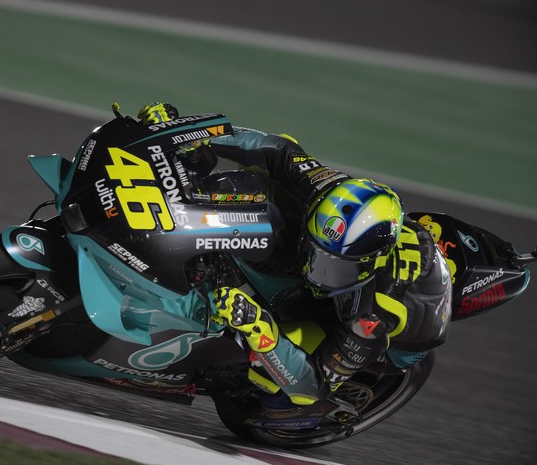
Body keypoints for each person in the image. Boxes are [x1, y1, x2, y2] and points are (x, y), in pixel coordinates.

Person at [137, 102, 453, 406]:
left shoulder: (371, 318)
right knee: (267, 188)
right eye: (318, 256)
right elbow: (276, 148)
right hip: (382, 249)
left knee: (270, 373)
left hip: (394, 338)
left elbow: (312, 387)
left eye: (333, 268)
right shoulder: (328, 188)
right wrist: (191, 136)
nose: (318, 274)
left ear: (369, 266)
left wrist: (259, 328)